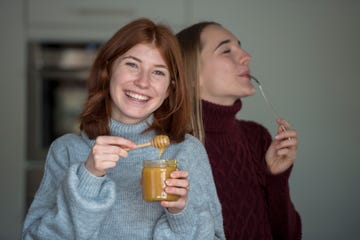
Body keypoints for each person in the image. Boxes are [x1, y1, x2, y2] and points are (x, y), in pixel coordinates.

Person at [22, 18, 225, 240]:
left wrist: (180, 215)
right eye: (132, 64)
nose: (143, 82)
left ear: (169, 89)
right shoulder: (66, 151)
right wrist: (89, 177)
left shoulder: (187, 151)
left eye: (158, 72)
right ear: (108, 70)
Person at [177, 22, 302, 239]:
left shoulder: (258, 138)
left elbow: (289, 236)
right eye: (226, 51)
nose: (246, 56)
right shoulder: (171, 147)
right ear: (191, 76)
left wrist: (276, 178)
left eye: (240, 47)